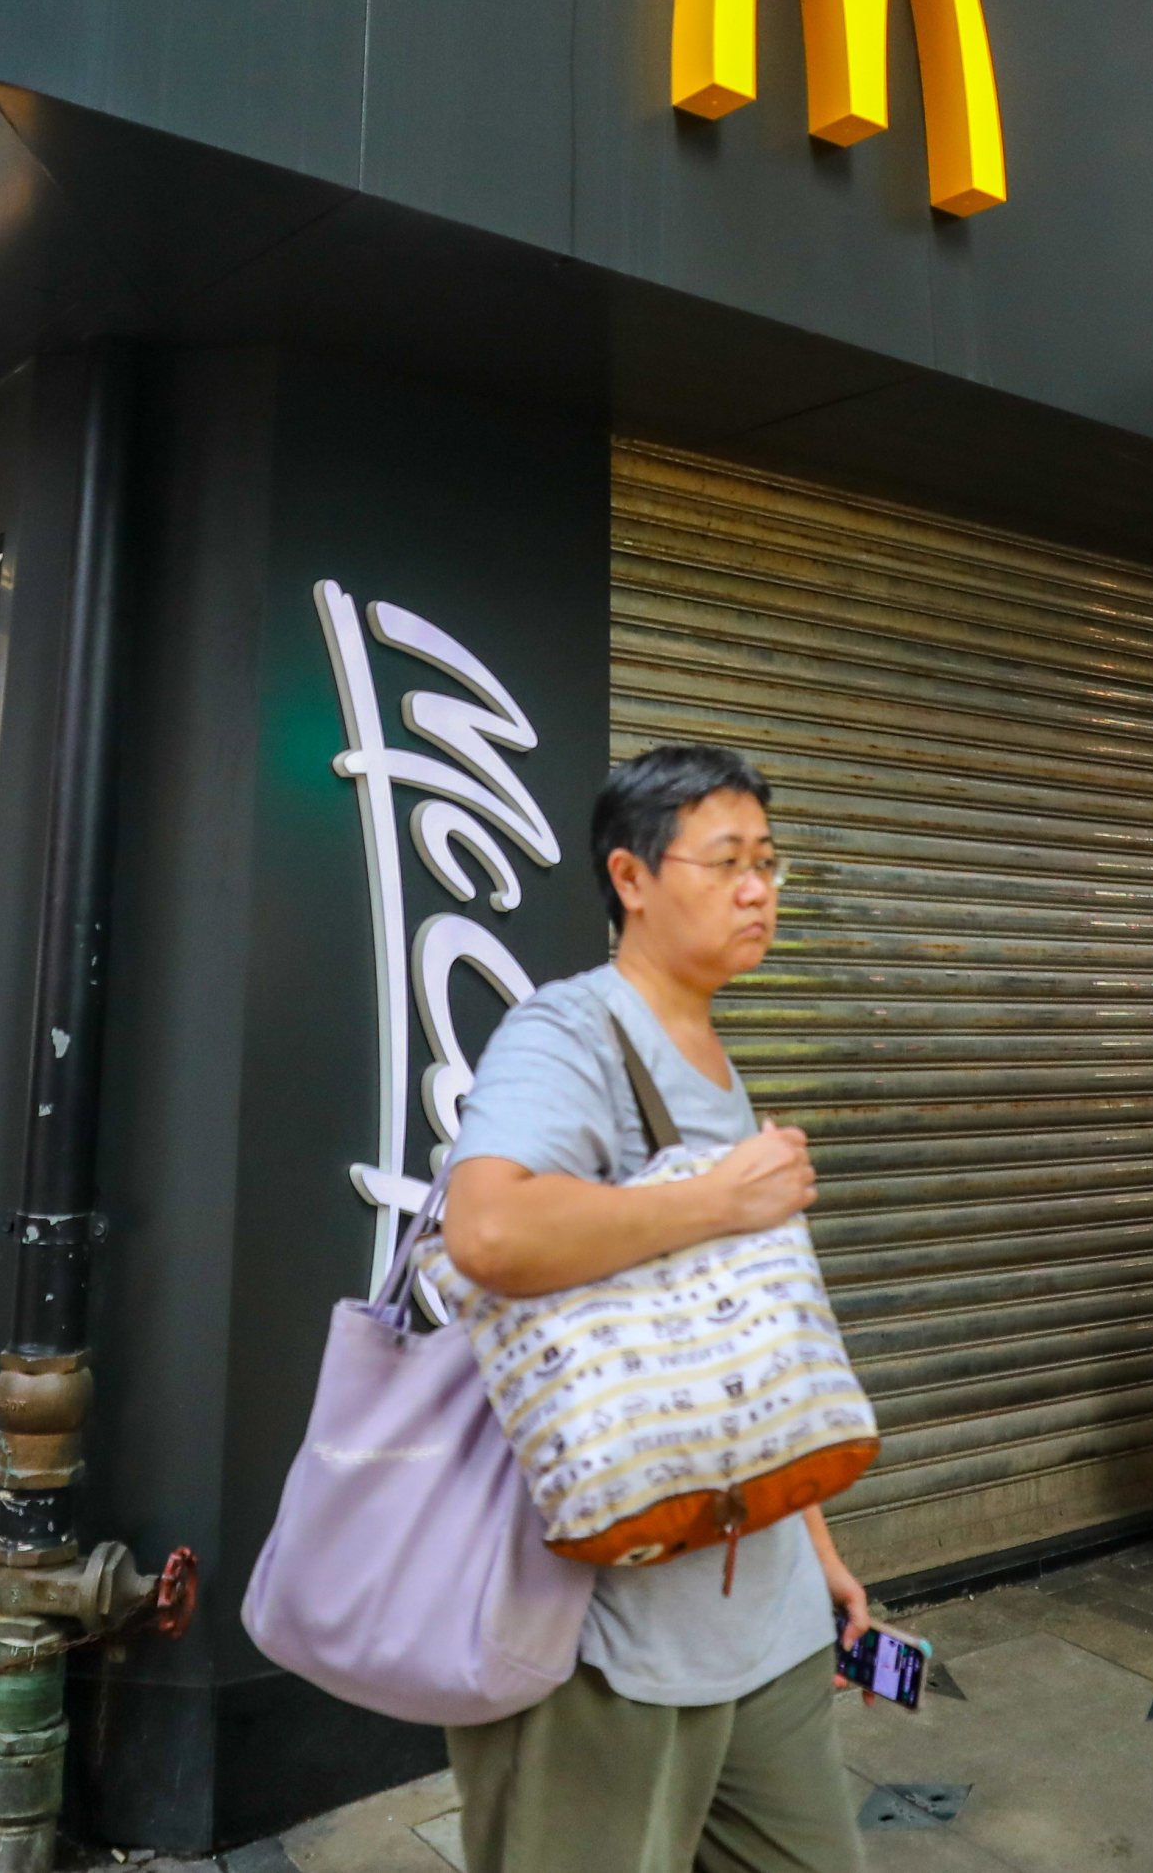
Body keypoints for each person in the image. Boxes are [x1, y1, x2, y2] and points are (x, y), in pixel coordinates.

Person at [437, 746, 873, 1873]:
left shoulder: (713, 1052)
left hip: (761, 1616)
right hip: (612, 1638)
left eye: (769, 862)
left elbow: (742, 1339)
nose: (758, 888)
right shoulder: (566, 1034)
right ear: (631, 878)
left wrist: (813, 1540)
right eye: (726, 860)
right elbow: (486, 1233)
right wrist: (721, 1197)